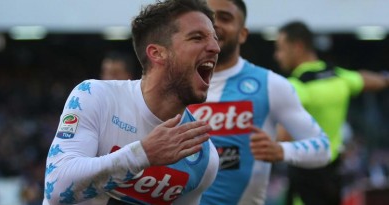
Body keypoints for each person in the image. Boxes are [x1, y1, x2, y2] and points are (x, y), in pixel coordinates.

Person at [43, 0, 220, 204]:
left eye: (215, 39)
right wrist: (143, 154)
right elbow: (56, 187)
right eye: (197, 37)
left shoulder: (203, 156)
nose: (215, 48)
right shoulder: (95, 96)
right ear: (157, 53)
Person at [187, 0, 331, 204]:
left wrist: (281, 151)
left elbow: (323, 148)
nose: (214, 24)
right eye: (208, 18)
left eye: (225, 18)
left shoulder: (271, 84)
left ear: (243, 33)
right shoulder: (175, 83)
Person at [274, 21, 389, 205]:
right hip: (333, 176)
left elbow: (281, 136)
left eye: (280, 48)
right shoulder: (338, 77)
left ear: (298, 46)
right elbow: (368, 80)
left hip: (306, 181)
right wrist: (385, 78)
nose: (277, 56)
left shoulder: (295, 87)